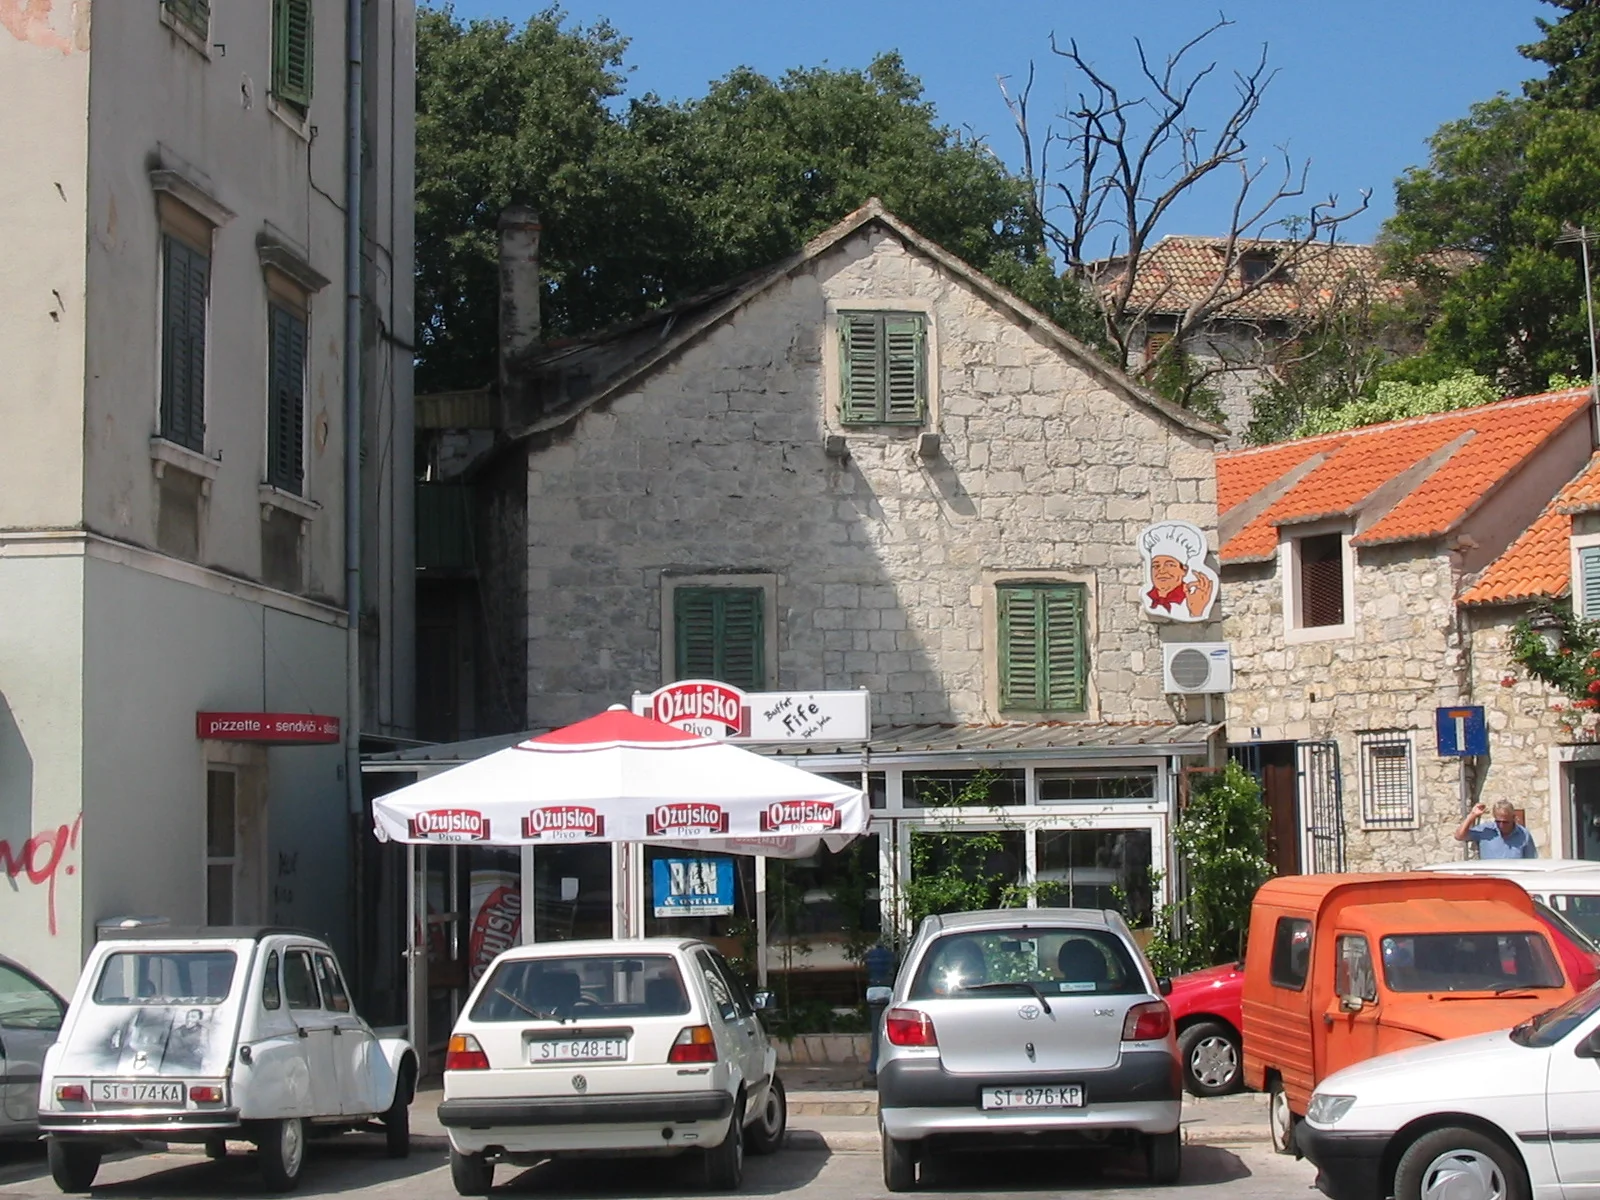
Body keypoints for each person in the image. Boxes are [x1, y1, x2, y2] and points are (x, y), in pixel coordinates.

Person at [1454, 801, 1537, 859]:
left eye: (1505, 822)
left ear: (1513, 818)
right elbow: (1459, 836)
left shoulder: (1523, 834)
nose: (1501, 825)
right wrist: (1473, 815)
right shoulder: (1486, 830)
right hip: (1491, 881)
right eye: (1498, 822)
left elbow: (1531, 861)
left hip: (1513, 881)